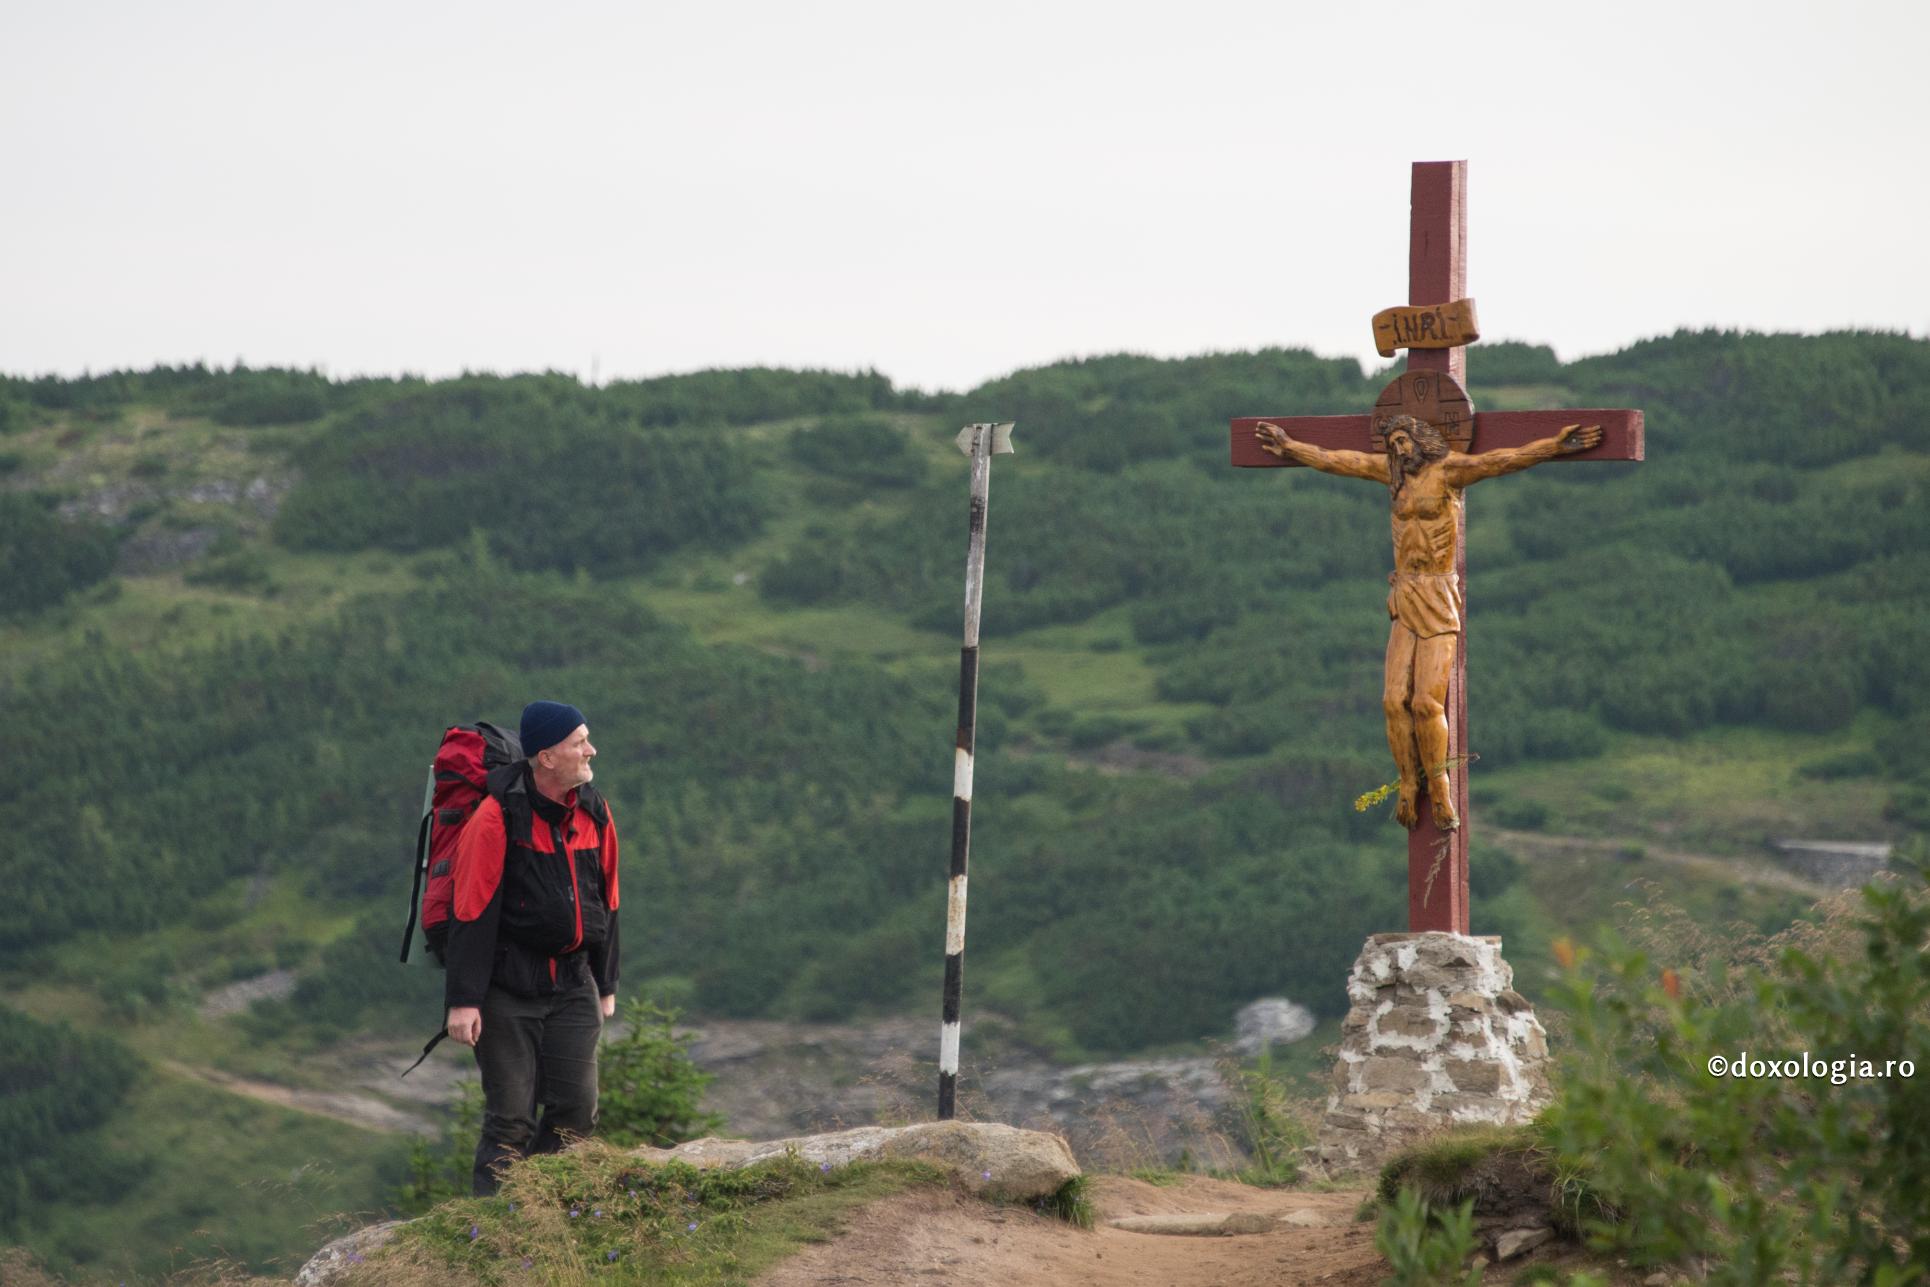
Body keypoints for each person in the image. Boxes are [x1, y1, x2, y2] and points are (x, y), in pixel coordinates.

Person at [1254, 414, 1600, 832]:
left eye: (1404, 440)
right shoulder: (1392, 475)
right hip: (1405, 593)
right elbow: (1336, 459)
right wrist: (1290, 447)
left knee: (1425, 703)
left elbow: (1503, 460)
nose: (1399, 450)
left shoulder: (1450, 470)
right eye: (1393, 443)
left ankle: (1438, 784)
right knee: (1392, 700)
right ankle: (1406, 782)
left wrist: (1553, 446)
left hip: (1438, 595)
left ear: (1423, 440)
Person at [443, 700, 619, 1195]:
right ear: (546, 757)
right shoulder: (497, 818)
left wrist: (605, 983)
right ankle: (493, 1230)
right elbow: (470, 914)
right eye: (579, 742)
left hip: (572, 983)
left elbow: (608, 900)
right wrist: (463, 1001)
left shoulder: (594, 811)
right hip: (507, 990)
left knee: (576, 1112)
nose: (591, 750)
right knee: (511, 1121)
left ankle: (546, 1209)